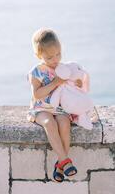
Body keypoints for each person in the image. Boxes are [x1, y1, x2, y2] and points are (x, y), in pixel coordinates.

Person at [27, 27, 81, 182]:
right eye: (50, 57)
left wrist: (76, 82)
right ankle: (65, 159)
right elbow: (37, 94)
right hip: (41, 108)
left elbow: (73, 83)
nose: (55, 59)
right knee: (49, 122)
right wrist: (55, 83)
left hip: (58, 107)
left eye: (58, 54)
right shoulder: (36, 72)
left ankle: (60, 165)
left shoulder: (62, 68)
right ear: (39, 55)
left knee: (64, 123)